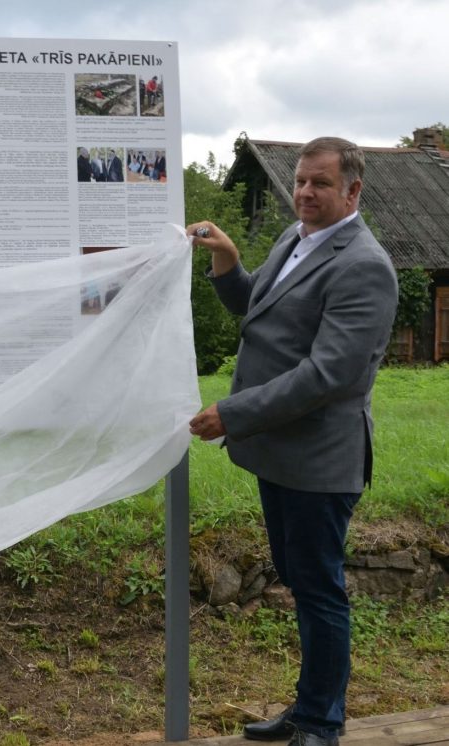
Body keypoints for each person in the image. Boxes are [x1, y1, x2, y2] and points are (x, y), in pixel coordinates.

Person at [188, 137, 398, 746]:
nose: (304, 192)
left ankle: (321, 723)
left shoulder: (364, 266)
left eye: (320, 184)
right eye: (301, 180)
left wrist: (233, 413)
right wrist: (228, 259)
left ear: (353, 191)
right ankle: (309, 708)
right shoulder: (295, 237)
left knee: (318, 590)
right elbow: (258, 309)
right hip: (282, 453)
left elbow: (328, 375)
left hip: (319, 461)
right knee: (302, 579)